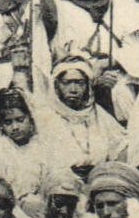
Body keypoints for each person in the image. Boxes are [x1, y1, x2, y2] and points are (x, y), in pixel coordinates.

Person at [44, 54, 127, 182]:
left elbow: (121, 145)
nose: (73, 90)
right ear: (56, 86)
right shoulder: (45, 117)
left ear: (87, 86)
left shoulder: (98, 114)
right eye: (66, 83)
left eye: (79, 83)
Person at [0, 87, 58, 213]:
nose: (15, 127)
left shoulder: (42, 146)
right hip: (7, 207)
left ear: (31, 118)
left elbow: (53, 178)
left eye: (20, 120)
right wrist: (20, 203)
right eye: (8, 122)